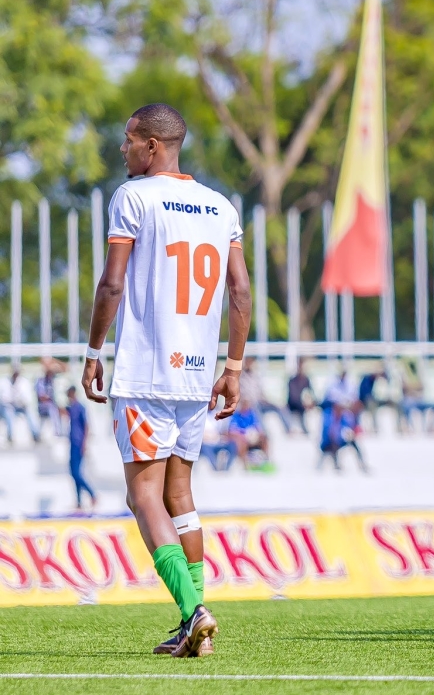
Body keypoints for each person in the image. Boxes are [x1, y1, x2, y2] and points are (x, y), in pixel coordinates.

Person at [81, 103, 251, 658]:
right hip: (198, 374)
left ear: (152, 146)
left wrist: (92, 350)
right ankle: (190, 630)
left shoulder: (132, 197)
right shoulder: (220, 205)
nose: (123, 149)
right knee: (181, 495)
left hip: (145, 368)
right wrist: (233, 368)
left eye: (128, 139)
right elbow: (240, 293)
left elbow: (112, 286)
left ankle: (192, 609)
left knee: (142, 494)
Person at [64, 386, 97, 513]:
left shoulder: (80, 407)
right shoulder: (72, 408)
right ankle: (79, 501)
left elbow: (86, 425)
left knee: (77, 473)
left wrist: (84, 444)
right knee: (73, 473)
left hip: (78, 444)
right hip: (73, 443)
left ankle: (92, 494)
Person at [241, 357, 291, 434]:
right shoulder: (241, 377)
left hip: (260, 401)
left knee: (280, 406)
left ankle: (289, 429)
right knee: (256, 409)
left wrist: (267, 400)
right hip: (250, 404)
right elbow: (242, 395)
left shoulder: (255, 376)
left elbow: (261, 392)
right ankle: (264, 433)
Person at [398, 360, 434, 433]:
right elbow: (405, 389)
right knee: (406, 406)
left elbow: (422, 387)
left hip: (420, 400)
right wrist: (415, 388)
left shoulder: (418, 375)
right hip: (409, 401)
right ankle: (410, 427)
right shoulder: (403, 375)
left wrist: (411, 388)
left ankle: (432, 427)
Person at [228, 399, 270, 469]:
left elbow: (257, 427)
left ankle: (266, 460)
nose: (246, 407)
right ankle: (245, 463)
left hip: (252, 436)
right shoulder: (236, 415)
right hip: (242, 437)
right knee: (241, 441)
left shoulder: (252, 415)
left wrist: (256, 434)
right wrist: (243, 434)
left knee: (264, 438)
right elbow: (232, 430)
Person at [8, 367, 40, 442]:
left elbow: (27, 398)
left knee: (30, 414)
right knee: (8, 413)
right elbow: (5, 397)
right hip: (10, 407)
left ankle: (35, 434)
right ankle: (10, 436)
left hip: (22, 406)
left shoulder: (24, 382)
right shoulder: (6, 382)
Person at [357, 362, 390, 433]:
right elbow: (365, 394)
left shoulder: (380, 380)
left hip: (378, 400)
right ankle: (375, 427)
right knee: (372, 405)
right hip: (365, 401)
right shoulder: (367, 379)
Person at [286, 358, 315, 435]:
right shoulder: (292, 380)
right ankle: (304, 429)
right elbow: (293, 396)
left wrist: (310, 401)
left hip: (303, 404)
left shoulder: (306, 379)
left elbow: (311, 392)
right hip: (293, 404)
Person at [36, 361, 63, 437]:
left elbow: (65, 368)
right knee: (52, 409)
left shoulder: (53, 381)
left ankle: (60, 431)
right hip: (43, 406)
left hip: (52, 404)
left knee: (60, 409)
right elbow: (41, 396)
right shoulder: (40, 381)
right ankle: (57, 432)